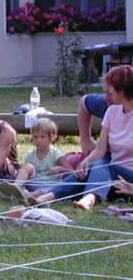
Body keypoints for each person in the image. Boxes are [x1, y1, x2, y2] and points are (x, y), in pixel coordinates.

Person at [29, 65, 133, 210]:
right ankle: (48, 197)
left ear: (121, 90)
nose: (106, 95)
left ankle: (89, 199)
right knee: (91, 168)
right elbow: (100, 150)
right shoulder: (111, 112)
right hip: (113, 179)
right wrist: (86, 161)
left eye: (110, 91)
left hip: (129, 182)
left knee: (105, 165)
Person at [0, 118, 72, 201]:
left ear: (53, 137)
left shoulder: (56, 154)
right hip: (34, 183)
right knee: (27, 166)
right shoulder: (30, 155)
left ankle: (26, 195)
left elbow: (71, 172)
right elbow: (27, 174)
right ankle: (16, 187)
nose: (38, 140)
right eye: (35, 137)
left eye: (42, 137)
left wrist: (60, 169)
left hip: (49, 184)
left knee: (50, 189)